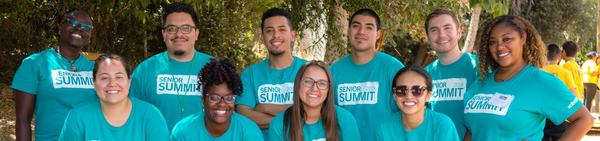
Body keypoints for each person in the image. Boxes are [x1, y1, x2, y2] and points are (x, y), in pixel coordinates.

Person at [464, 15, 593, 140]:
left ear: (523, 38)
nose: (499, 47)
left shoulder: (541, 82)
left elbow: (584, 119)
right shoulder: (480, 82)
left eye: (507, 39)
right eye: (493, 42)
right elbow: (472, 130)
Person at [12, 8, 96, 141]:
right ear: (60, 28)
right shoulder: (34, 64)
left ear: (90, 35)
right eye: (72, 22)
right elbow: (23, 120)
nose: (79, 28)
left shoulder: (95, 68)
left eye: (86, 26)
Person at [130, 2, 212, 130]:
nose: (179, 34)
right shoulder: (145, 70)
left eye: (186, 28)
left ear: (196, 33)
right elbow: (131, 116)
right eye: (171, 29)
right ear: (164, 34)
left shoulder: (215, 68)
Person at [330, 8, 405, 141]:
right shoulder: (333, 71)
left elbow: (410, 112)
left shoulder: (394, 69)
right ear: (348, 31)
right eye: (356, 26)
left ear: (378, 34)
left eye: (369, 27)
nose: (361, 32)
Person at [59, 54, 169, 141]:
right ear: (94, 83)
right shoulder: (78, 117)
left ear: (129, 82)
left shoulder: (150, 115)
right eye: (104, 78)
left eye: (119, 77)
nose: (112, 83)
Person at [235, 7, 306, 133]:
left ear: (293, 36)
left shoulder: (307, 70)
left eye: (282, 29)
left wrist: (264, 107)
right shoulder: (249, 75)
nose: (276, 35)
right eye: (269, 31)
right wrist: (293, 115)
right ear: (263, 37)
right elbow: (244, 116)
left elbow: (311, 111)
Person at [170, 58, 263, 140]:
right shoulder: (183, 131)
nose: (222, 104)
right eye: (214, 97)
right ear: (203, 99)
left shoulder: (249, 131)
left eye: (229, 98)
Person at [267, 60, 360, 141]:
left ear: (329, 89)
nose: (314, 88)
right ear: (298, 84)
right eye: (308, 81)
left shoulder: (345, 120)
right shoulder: (279, 124)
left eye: (322, 83)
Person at [423, 9, 476, 140]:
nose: (441, 35)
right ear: (428, 37)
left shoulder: (480, 67)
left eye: (447, 28)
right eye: (434, 30)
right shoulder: (425, 74)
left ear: (459, 32)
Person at [376, 66, 459, 141]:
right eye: (401, 90)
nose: (408, 96)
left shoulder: (442, 125)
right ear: (394, 95)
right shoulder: (384, 128)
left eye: (417, 90)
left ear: (428, 95)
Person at [541, 44, 578, 140]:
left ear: (544, 55)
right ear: (559, 56)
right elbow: (574, 97)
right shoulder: (565, 72)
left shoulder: (538, 71)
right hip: (559, 116)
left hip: (540, 117)